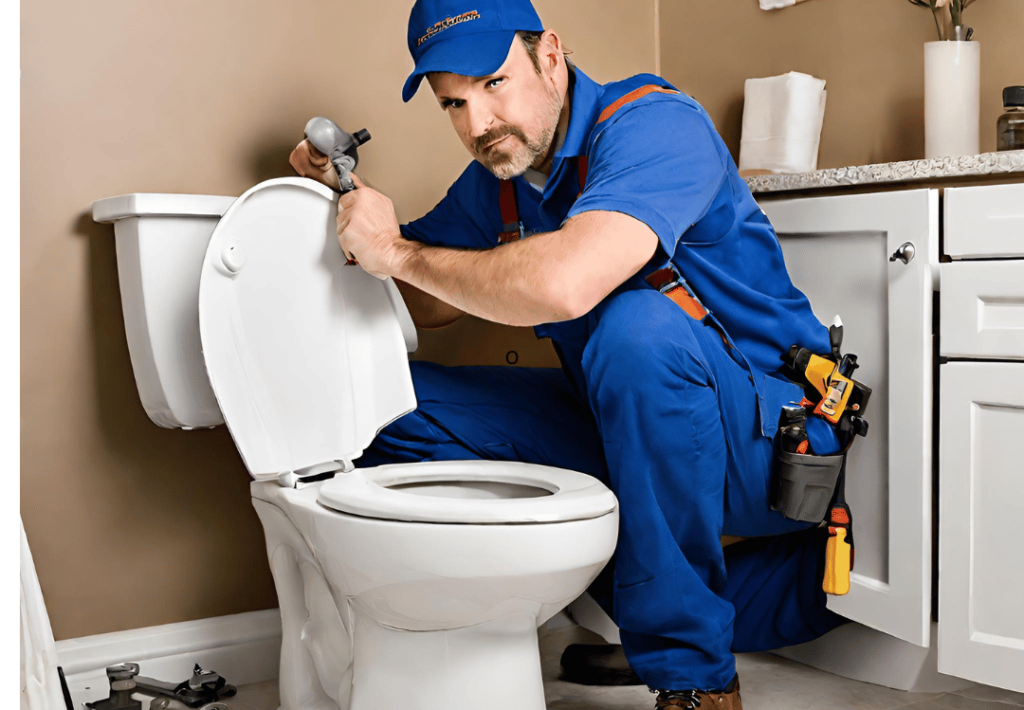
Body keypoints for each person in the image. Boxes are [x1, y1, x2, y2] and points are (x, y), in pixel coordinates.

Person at [290, 1, 847, 707]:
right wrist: (344, 202)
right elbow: (422, 298)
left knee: (636, 327)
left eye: (494, 84)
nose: (478, 124)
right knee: (387, 399)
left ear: (550, 55)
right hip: (624, 424)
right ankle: (608, 619)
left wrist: (395, 250)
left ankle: (694, 676)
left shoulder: (655, 124)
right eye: (454, 103)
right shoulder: (499, 184)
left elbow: (564, 283)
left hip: (771, 444)